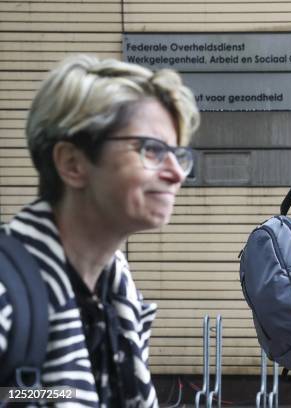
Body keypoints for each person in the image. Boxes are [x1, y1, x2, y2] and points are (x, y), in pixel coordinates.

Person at [0, 54, 199, 406]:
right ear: (72, 163)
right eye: (151, 150)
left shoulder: (117, 293)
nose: (176, 173)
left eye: (177, 154)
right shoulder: (7, 291)